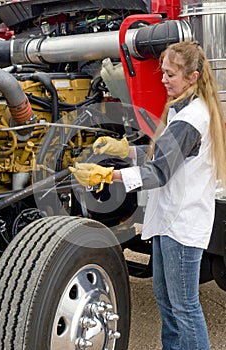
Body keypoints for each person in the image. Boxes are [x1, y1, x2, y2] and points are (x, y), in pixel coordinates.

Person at [69, 41, 226, 349]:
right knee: (167, 303)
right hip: (171, 222)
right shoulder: (184, 110)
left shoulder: (190, 119)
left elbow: (159, 172)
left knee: (184, 308)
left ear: (193, 77)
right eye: (163, 72)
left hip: (181, 227)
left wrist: (109, 175)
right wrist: (125, 149)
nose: (164, 79)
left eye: (170, 74)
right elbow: (164, 155)